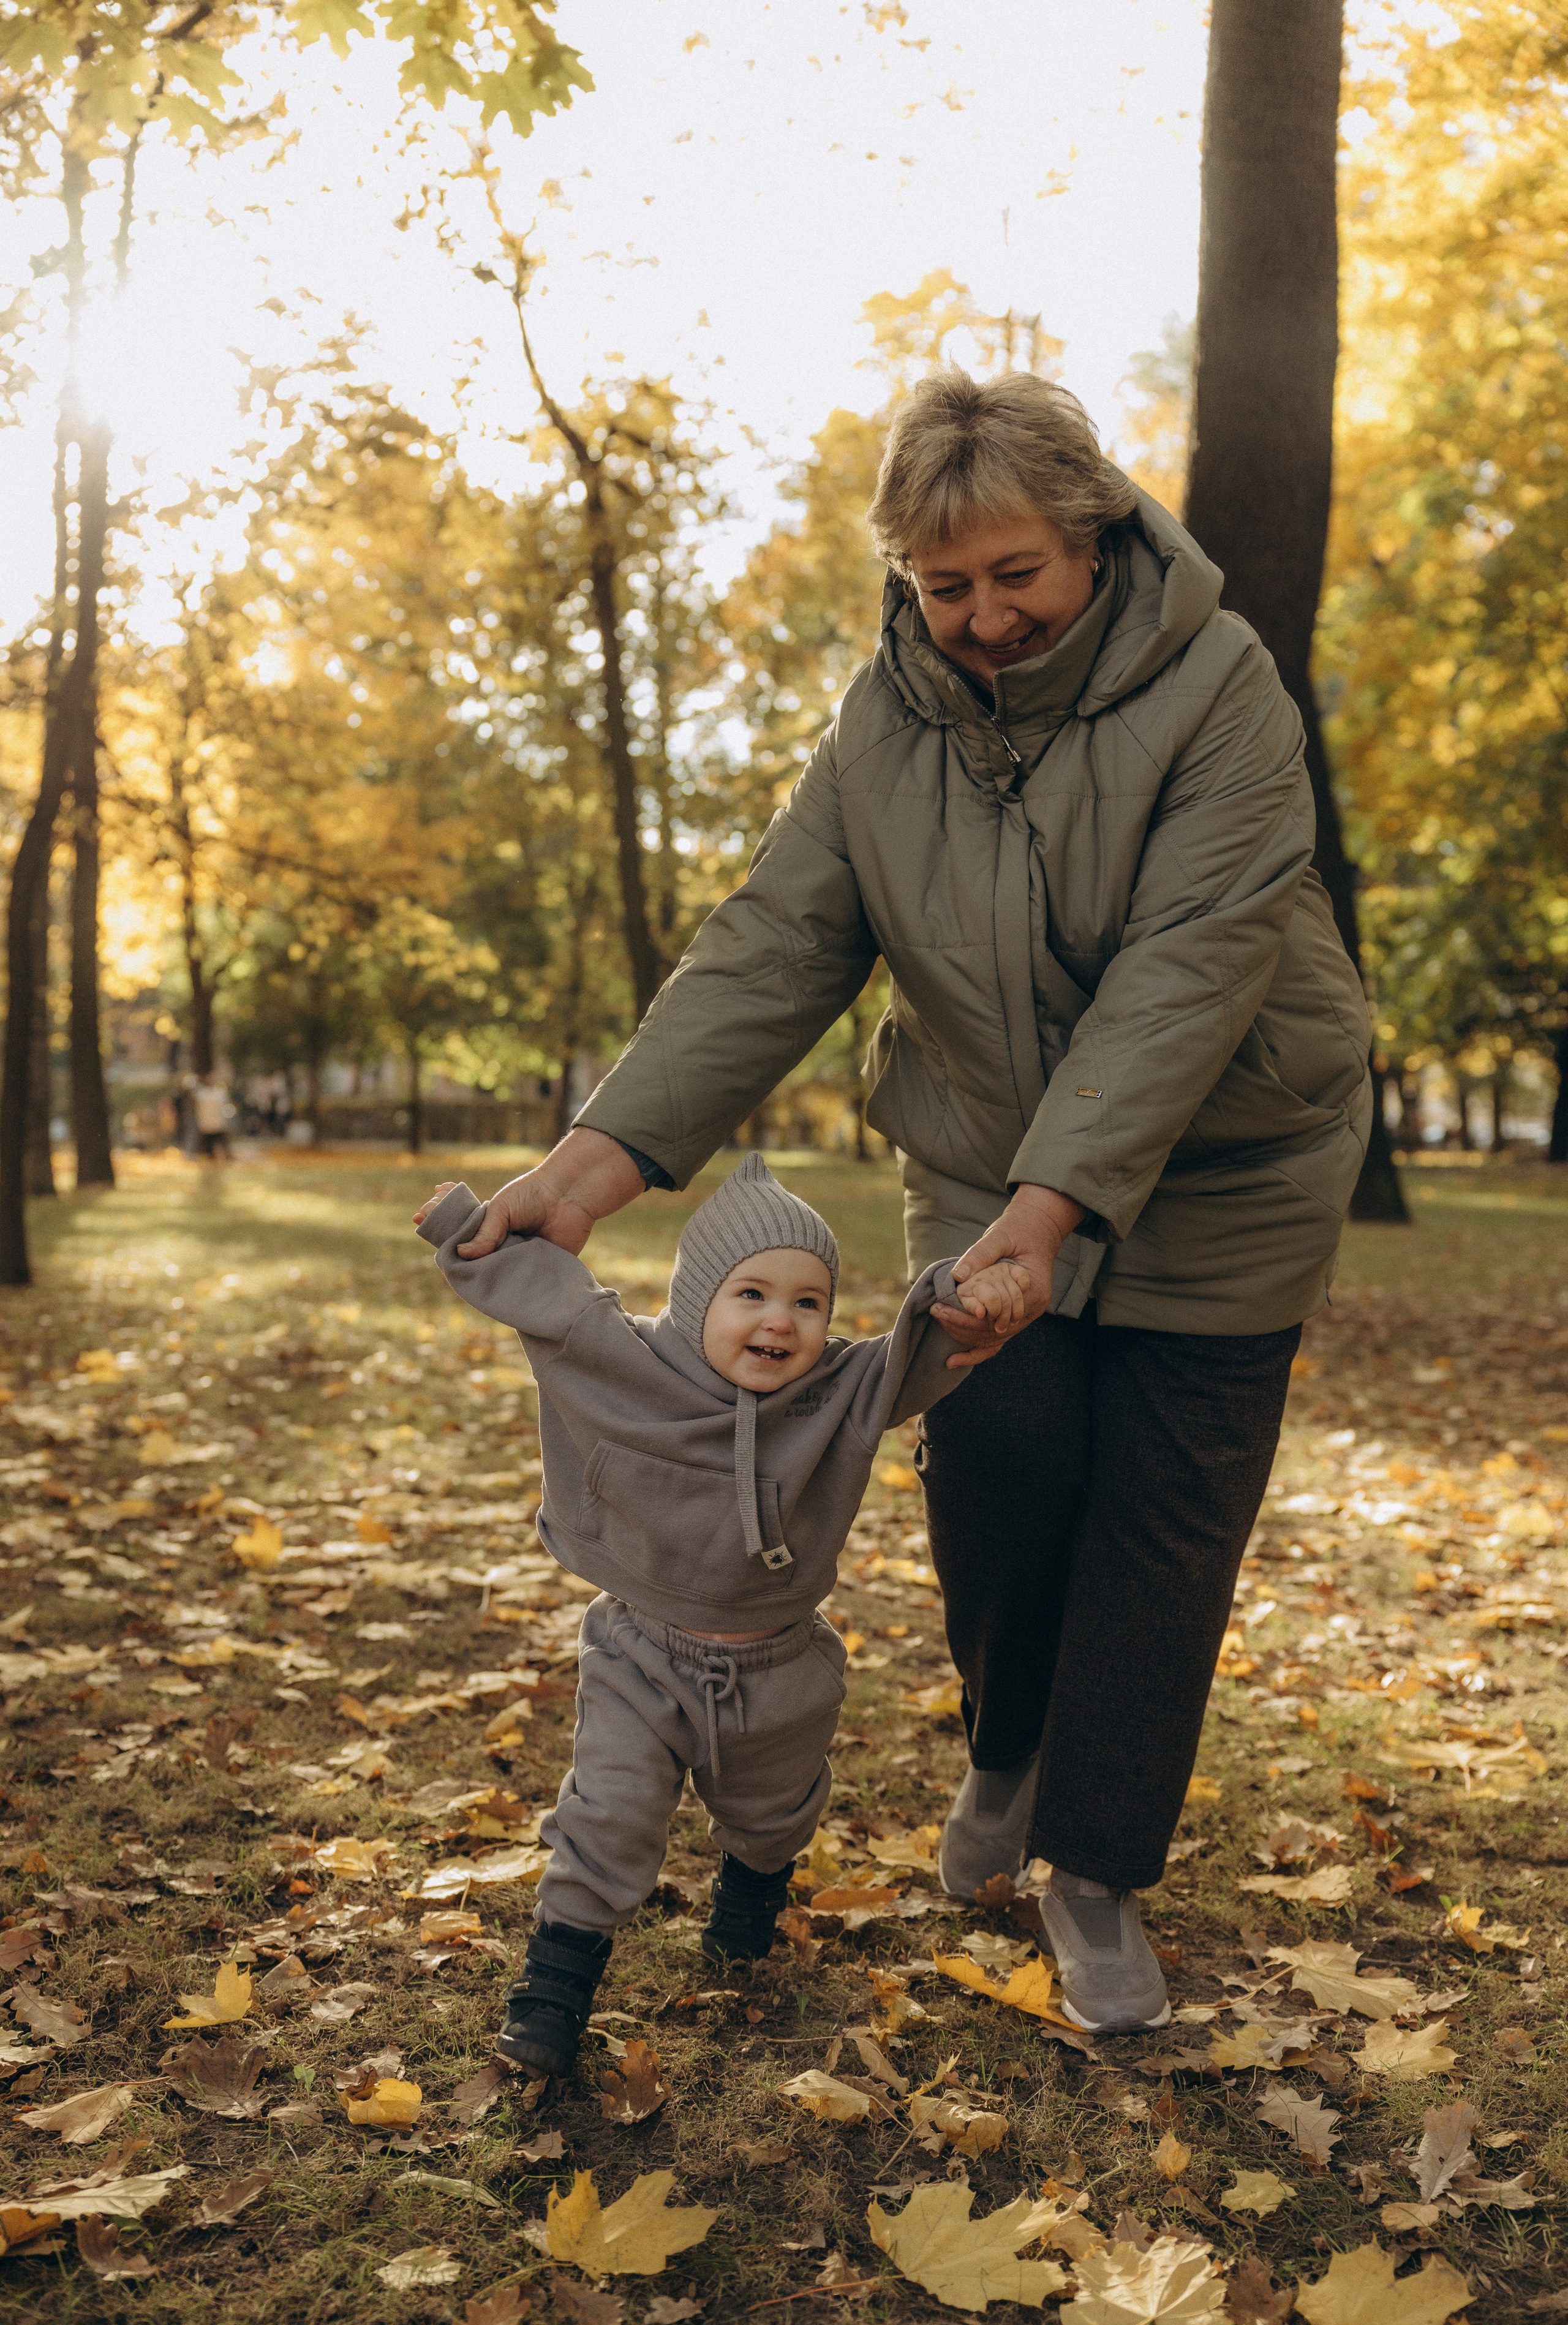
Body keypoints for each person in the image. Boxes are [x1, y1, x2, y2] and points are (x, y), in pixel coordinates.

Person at [442, 369, 1372, 2036]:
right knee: (1002, 1469)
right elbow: (777, 942)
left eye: (1016, 574)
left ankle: (1094, 1874)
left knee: (1162, 1529)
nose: (983, 617)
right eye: (946, 587)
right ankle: (1009, 1750)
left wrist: (1054, 1216)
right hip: (979, 1143)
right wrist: (591, 1168)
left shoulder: (1223, 683)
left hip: (1233, 1163)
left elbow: (1188, 969)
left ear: (1091, 536)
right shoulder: (888, 715)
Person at [415, 1153, 1022, 2074]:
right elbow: (555, 1304)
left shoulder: (838, 1394)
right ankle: (554, 1987)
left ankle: (747, 1908)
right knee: (607, 1815)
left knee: (772, 1812)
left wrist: (961, 1301)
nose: (780, 1319)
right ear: (698, 1298)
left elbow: (917, 1351)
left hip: (782, 1669)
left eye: (808, 1302)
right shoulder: (632, 1366)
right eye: (751, 1294)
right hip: (640, 1656)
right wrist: (463, 1225)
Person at [192, 1077, 233, 1159]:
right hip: (211, 1124)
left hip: (213, 1124)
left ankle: (221, 1157)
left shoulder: (215, 1094)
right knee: (210, 1148)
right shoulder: (205, 1094)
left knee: (217, 1146)